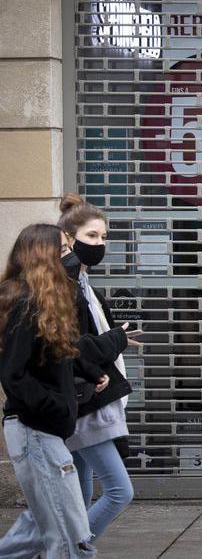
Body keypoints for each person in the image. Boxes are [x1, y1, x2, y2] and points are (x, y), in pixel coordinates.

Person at [0, 224, 102, 558]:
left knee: (46, 534)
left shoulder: (43, 301)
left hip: (43, 431)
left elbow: (57, 354)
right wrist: (57, 407)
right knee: (71, 539)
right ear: (43, 256)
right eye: (63, 250)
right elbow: (14, 375)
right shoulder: (24, 303)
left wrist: (88, 371)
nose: (71, 257)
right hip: (36, 430)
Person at [58, 194, 140, 541]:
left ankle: (66, 547)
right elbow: (73, 347)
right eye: (92, 236)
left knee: (77, 492)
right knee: (119, 491)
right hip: (85, 402)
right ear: (68, 238)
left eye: (104, 237)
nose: (100, 244)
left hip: (89, 394)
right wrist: (116, 341)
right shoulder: (65, 286)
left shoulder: (84, 284)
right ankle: (72, 547)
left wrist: (115, 341)